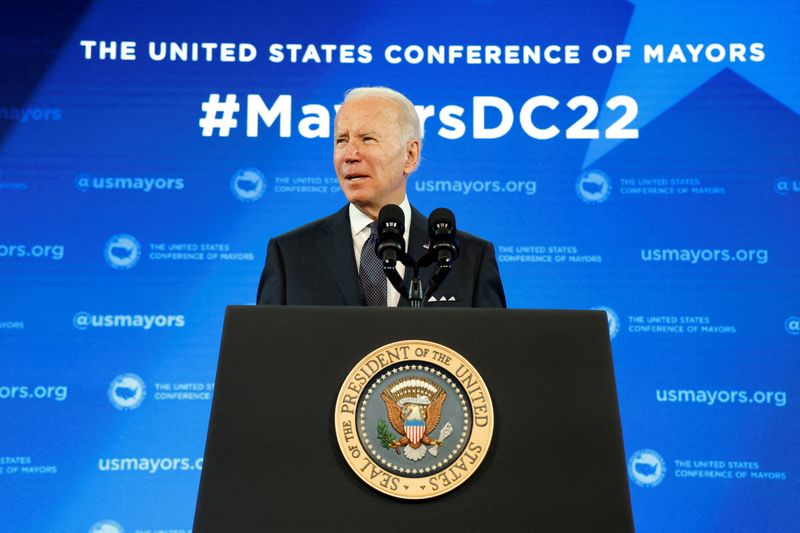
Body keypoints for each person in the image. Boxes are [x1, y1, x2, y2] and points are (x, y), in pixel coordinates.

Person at [256, 86, 505, 307]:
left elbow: (492, 353)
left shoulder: (469, 258)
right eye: (341, 140)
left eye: (367, 139)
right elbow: (266, 352)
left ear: (410, 156)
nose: (350, 154)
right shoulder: (289, 255)